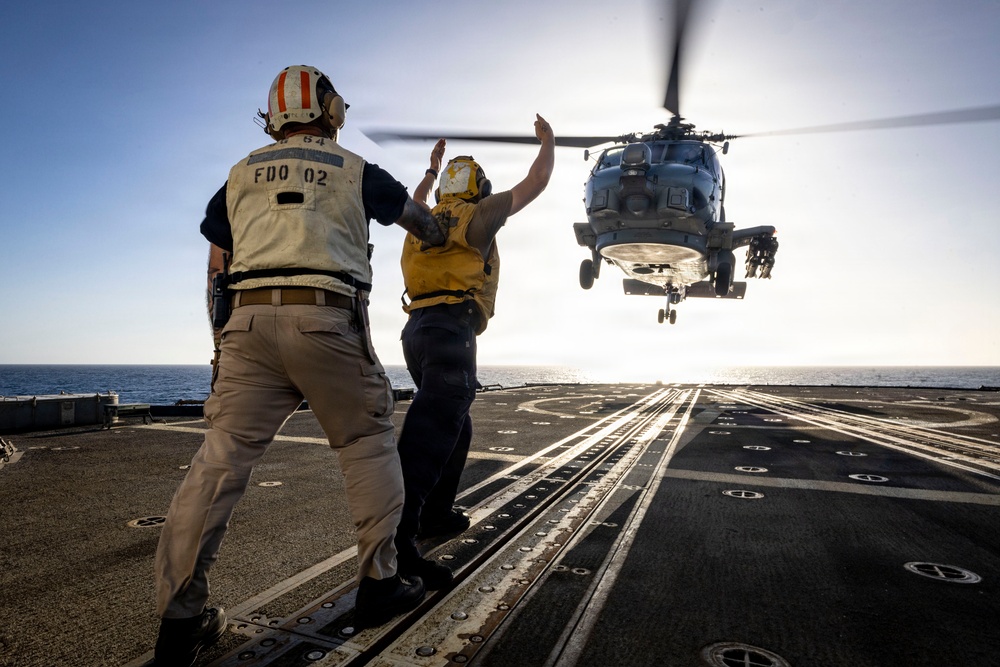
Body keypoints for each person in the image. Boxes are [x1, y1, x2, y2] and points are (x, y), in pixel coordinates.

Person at [145, 65, 446, 666]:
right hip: (326, 315)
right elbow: (419, 224)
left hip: (247, 325)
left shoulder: (236, 175)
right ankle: (380, 584)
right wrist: (435, 224)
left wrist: (220, 339)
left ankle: (179, 620)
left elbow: (217, 264)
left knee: (219, 461)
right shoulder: (356, 169)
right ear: (328, 109)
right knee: (365, 441)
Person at [393, 115, 556, 589]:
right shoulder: (479, 216)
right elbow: (536, 182)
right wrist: (548, 141)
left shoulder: (418, 217)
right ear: (479, 187)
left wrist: (430, 167)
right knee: (425, 441)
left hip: (416, 334)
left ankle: (437, 513)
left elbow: (418, 198)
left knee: (456, 425)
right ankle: (400, 543)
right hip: (450, 333)